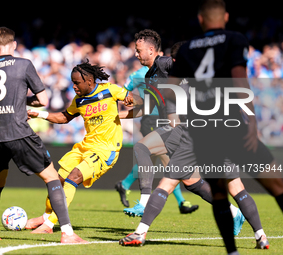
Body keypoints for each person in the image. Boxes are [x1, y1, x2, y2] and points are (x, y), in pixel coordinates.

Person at [118, 41, 269, 247]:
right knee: (233, 187)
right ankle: (261, 236)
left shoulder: (173, 74)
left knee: (166, 183)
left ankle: (140, 230)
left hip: (189, 135)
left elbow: (165, 108)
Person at [162, 0, 283, 253]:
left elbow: (171, 91)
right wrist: (251, 120)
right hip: (232, 125)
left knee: (219, 194)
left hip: (204, 131)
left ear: (201, 20)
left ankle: (232, 251)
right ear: (226, 17)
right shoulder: (234, 39)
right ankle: (257, 235)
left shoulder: (187, 49)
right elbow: (239, 80)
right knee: (275, 184)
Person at [0, 27, 86, 244]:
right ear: (14, 45)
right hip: (18, 131)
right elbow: (44, 100)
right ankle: (67, 233)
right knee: (52, 178)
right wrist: (21, 102)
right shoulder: (23, 64)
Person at [25, 60, 143, 233]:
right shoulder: (79, 100)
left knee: (74, 177)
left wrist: (130, 105)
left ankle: (49, 225)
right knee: (57, 181)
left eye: (77, 82)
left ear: (89, 81)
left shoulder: (110, 90)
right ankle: (45, 216)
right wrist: (40, 114)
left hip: (105, 150)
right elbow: (64, 117)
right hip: (84, 147)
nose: (73, 86)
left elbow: (142, 105)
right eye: (72, 82)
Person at [119, 29, 198, 218]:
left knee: (142, 148)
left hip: (186, 126)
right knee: (194, 183)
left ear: (152, 49)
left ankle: (143, 202)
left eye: (139, 50)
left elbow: (185, 64)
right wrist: (118, 115)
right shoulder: (149, 77)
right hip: (175, 127)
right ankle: (234, 212)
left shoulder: (164, 62)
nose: (136, 54)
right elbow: (147, 108)